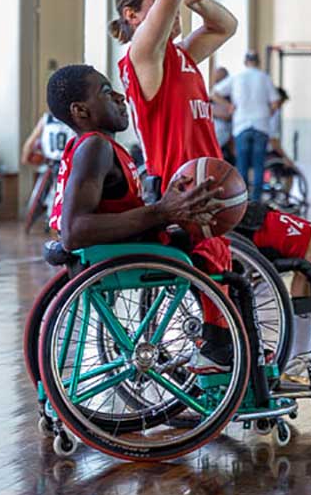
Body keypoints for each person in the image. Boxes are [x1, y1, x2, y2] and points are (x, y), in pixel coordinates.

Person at [111, 0, 311, 379]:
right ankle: (285, 359)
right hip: (190, 202)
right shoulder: (143, 59)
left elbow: (226, 24)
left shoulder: (181, 57)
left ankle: (295, 356)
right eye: (156, 5)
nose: (170, 9)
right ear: (133, 16)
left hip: (219, 195)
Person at [45, 63, 230, 374]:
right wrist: (162, 211)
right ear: (80, 111)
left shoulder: (100, 147)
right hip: (110, 257)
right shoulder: (94, 148)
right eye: (106, 92)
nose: (121, 96)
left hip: (112, 252)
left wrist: (167, 208)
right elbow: (74, 231)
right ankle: (222, 349)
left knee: (205, 238)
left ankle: (223, 346)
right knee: (216, 255)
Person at [212, 51, 279, 202]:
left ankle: (242, 202)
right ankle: (256, 202)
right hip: (261, 125)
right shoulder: (265, 78)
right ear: (258, 62)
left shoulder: (237, 77)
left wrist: (229, 106)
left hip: (241, 125)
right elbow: (275, 102)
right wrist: (268, 113)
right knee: (258, 166)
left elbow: (214, 93)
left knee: (242, 165)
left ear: (245, 61)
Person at [266, 87, 297, 200]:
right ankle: (285, 199)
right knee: (290, 172)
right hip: (268, 151)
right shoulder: (274, 114)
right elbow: (273, 141)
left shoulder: (263, 111)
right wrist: (286, 158)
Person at [210, 66, 235, 165]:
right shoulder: (212, 95)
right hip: (214, 131)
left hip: (226, 133)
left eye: (220, 79)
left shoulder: (230, 96)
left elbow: (227, 115)